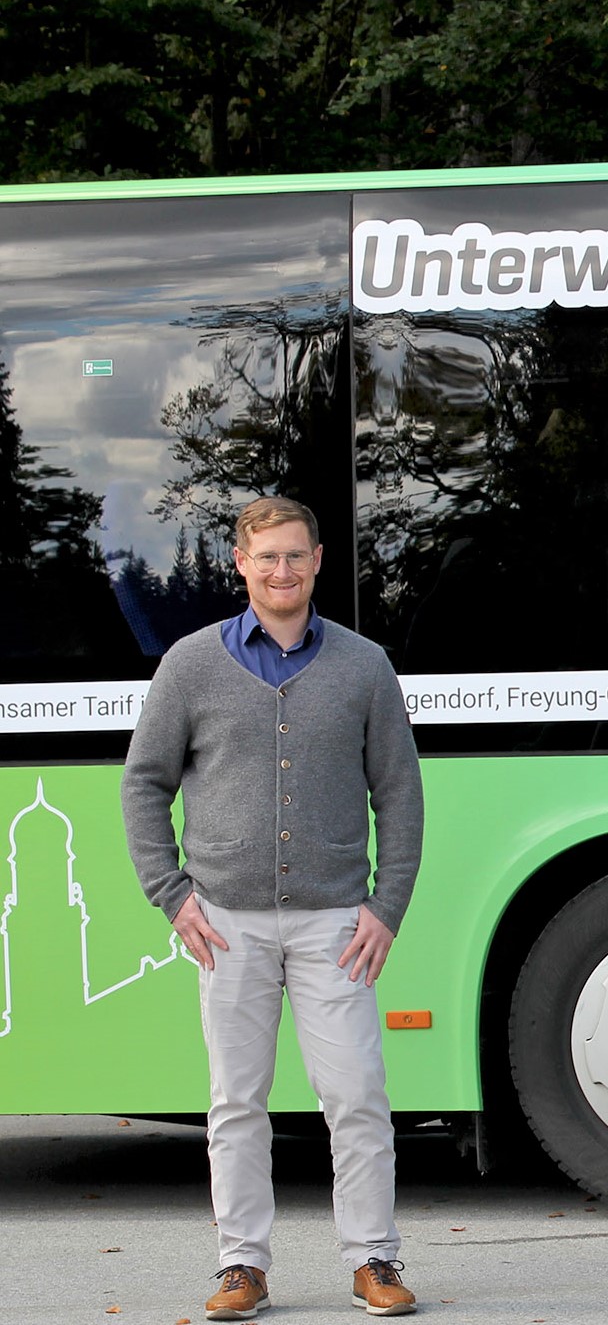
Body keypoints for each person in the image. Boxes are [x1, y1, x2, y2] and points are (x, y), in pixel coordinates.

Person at [121, 496, 424, 1321]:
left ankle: (372, 1258)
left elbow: (399, 795)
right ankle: (242, 1267)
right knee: (236, 1102)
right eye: (267, 558)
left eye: (296, 557)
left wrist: (385, 906)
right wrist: (170, 892)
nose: (281, 571)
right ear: (239, 563)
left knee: (356, 1094)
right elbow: (144, 784)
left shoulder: (363, 665)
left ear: (318, 560)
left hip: (335, 921)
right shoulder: (189, 664)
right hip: (226, 921)